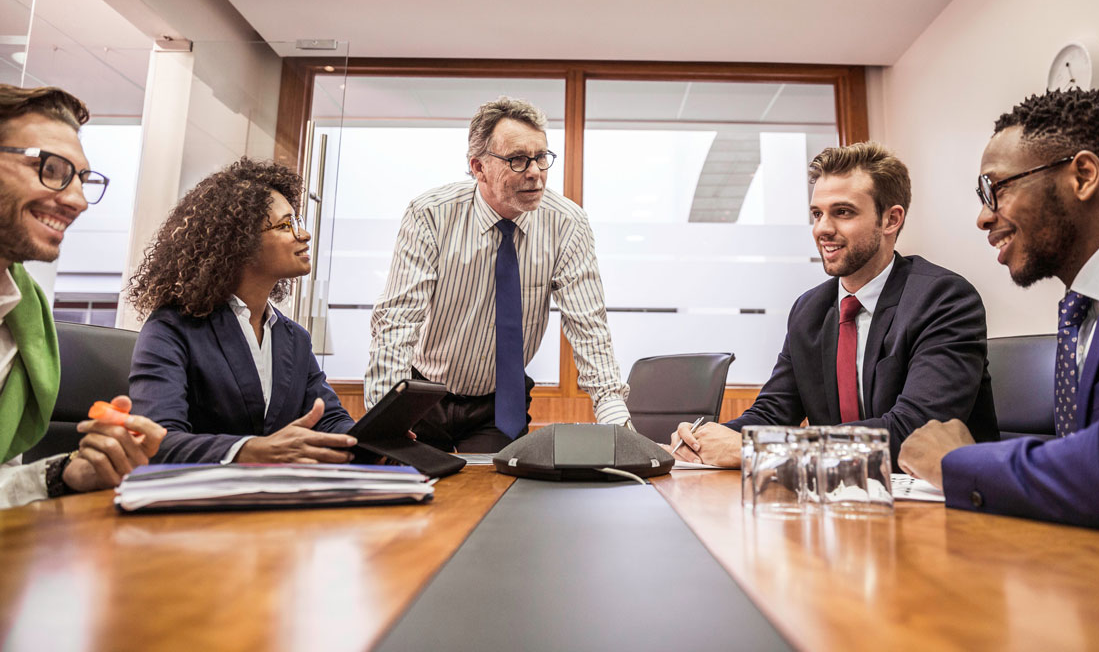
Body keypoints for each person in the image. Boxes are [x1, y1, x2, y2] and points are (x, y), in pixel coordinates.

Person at [898, 90, 1099, 538]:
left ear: (1082, 176)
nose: (983, 217)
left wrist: (957, 463)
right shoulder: (1081, 310)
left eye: (995, 189)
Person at [671, 142, 997, 467]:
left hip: (941, 504)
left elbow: (912, 433)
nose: (822, 229)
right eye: (817, 214)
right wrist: (703, 440)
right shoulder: (810, 310)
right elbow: (772, 414)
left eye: (842, 212)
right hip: (841, 498)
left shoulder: (944, 300)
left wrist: (758, 449)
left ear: (891, 220)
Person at [364, 96, 631, 453]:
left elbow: (588, 325)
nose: (535, 171)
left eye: (541, 157)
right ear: (479, 167)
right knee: (417, 499)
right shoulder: (431, 214)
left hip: (500, 404)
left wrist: (615, 416)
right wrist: (387, 415)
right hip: (423, 393)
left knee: (495, 499)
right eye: (518, 160)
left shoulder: (567, 223)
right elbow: (398, 320)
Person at [127, 158, 358, 464]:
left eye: (297, 222)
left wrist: (374, 441)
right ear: (240, 243)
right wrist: (251, 451)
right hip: (200, 504)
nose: (304, 235)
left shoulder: (295, 340)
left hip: (280, 502)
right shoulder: (171, 329)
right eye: (286, 225)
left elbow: (329, 421)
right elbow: (156, 439)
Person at [0, 84, 165, 508]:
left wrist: (63, 475)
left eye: (82, 179)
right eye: (51, 169)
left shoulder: (22, 313)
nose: (77, 200)